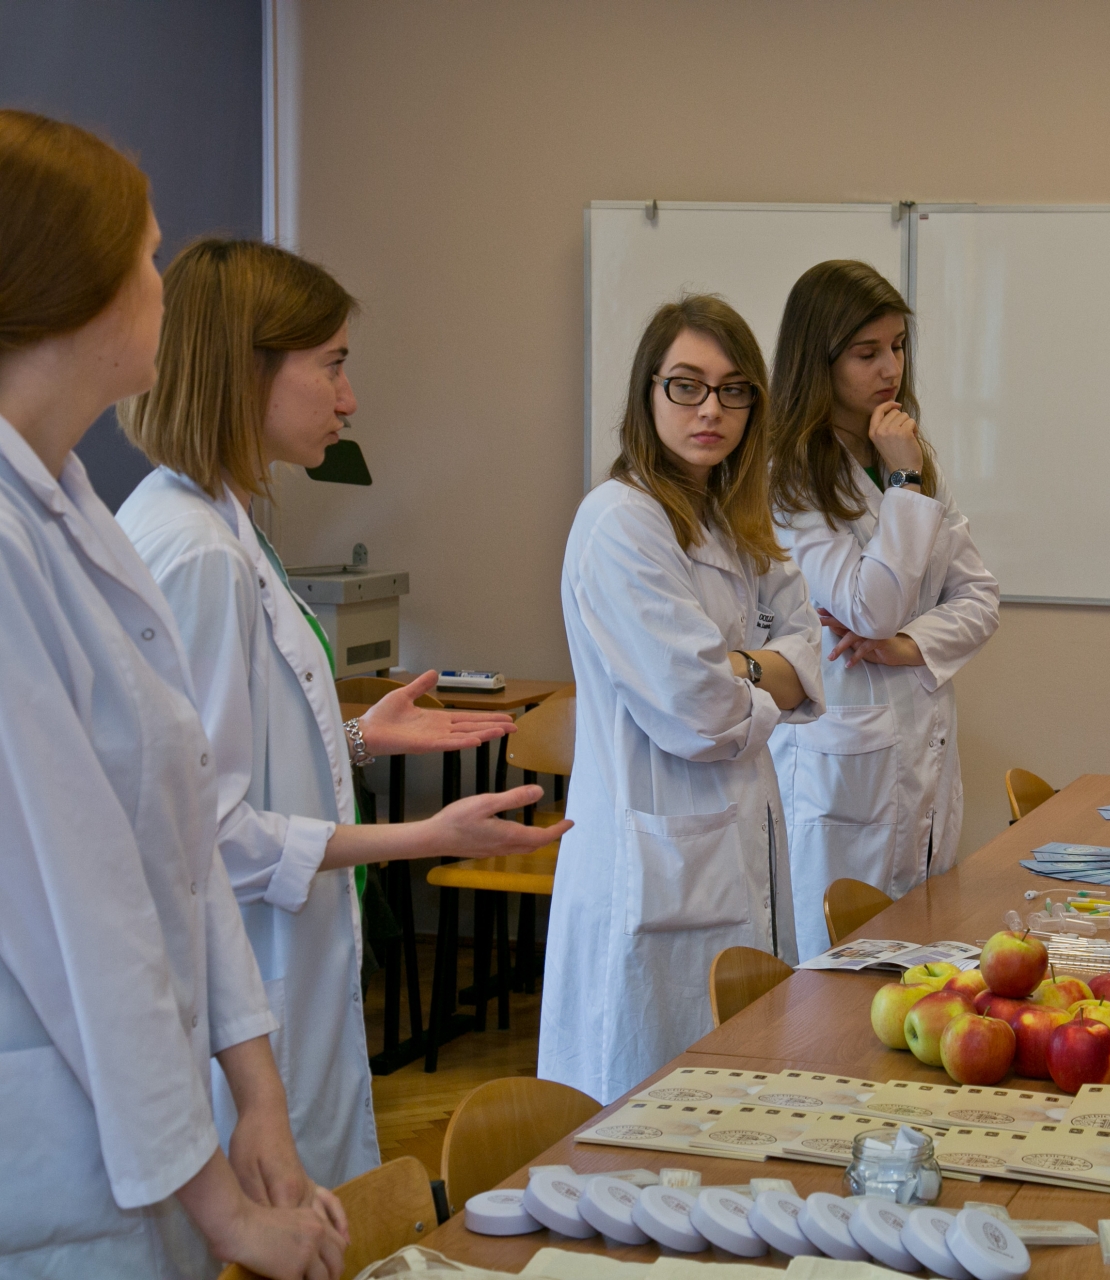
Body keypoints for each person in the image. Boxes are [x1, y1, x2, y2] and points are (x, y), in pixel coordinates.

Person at [114, 238, 571, 1188]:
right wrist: (425, 836)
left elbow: (227, 757)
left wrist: (356, 739)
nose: (349, 399)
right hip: (242, 977)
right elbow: (211, 834)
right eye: (331, 366)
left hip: (274, 970)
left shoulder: (218, 522)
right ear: (247, 368)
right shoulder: (198, 554)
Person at [0, 109, 346, 1279]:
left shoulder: (72, 512)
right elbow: (85, 904)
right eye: (146, 258)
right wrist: (223, 1205)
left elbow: (186, 836)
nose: (165, 286)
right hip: (59, 1148)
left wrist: (257, 1094)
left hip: (149, 1119)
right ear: (73, 288)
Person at [540, 295, 823, 1103]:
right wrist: (760, 673)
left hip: (736, 845)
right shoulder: (621, 523)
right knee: (638, 1107)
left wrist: (733, 668)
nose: (711, 410)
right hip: (655, 865)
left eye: (734, 391)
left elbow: (811, 655)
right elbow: (700, 714)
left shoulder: (737, 521)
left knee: (739, 1096)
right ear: (648, 392)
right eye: (687, 386)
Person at [765, 260, 999, 959]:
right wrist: (901, 480)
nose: (890, 368)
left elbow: (980, 597)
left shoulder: (911, 458)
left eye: (897, 346)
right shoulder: (788, 478)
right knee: (831, 968)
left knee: (918, 957)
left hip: (920, 748)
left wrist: (910, 645)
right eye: (866, 353)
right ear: (819, 360)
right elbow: (869, 608)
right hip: (841, 761)